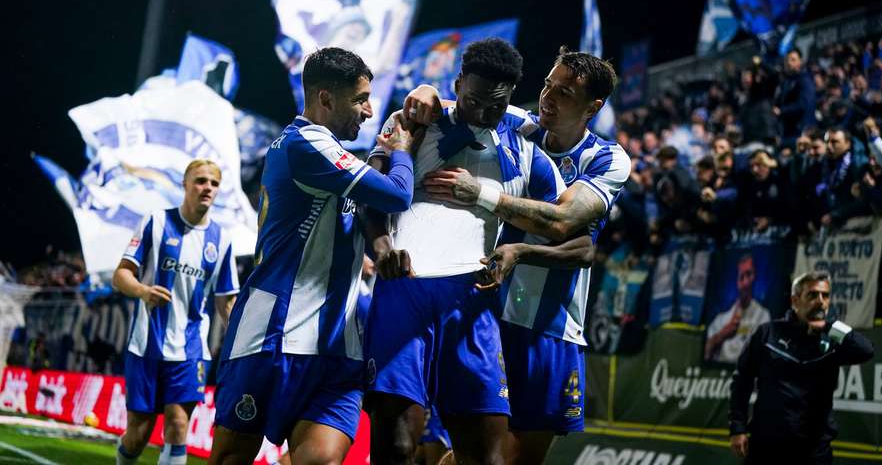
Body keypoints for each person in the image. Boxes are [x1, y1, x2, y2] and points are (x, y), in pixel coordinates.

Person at [407, 47, 630, 464]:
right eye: (547, 84)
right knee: (474, 452)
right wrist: (423, 91)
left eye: (564, 93)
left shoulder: (607, 159)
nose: (547, 97)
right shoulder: (516, 125)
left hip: (550, 327)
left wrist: (486, 199)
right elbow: (458, 102)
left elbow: (569, 228)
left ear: (592, 107)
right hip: (487, 316)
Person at [207, 47, 418, 465]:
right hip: (273, 333)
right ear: (325, 98)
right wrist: (404, 149)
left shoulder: (330, 155)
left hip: (339, 344)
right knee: (231, 458)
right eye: (360, 99)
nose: (369, 110)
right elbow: (397, 194)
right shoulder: (305, 144)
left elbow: (362, 204)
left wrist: (379, 244)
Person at [364, 38, 567, 465]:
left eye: (495, 106)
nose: (482, 113)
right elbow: (372, 197)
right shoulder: (413, 122)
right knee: (397, 447)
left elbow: (565, 225)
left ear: (510, 97)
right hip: (406, 293)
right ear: (457, 84)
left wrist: (515, 250)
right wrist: (382, 247)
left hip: (473, 302)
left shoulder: (528, 148)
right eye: (473, 100)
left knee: (484, 458)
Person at [112, 159, 240, 465]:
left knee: (178, 424)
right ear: (185, 185)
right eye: (200, 181)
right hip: (147, 344)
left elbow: (226, 301)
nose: (207, 188)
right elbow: (121, 275)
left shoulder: (221, 240)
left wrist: (241, 342)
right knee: (138, 433)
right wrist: (143, 291)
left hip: (191, 347)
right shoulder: (155, 222)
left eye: (213, 183)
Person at [729, 271, 874, 464]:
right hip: (766, 448)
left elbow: (866, 350)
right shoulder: (768, 334)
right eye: (812, 295)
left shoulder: (833, 337)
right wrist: (737, 428)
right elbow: (742, 380)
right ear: (795, 301)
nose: (820, 301)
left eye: (825, 296)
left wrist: (829, 327)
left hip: (813, 452)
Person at [704, 255, 771, 363]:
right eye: (741, 277)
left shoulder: (763, 316)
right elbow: (705, 353)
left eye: (749, 274)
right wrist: (722, 335)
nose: (745, 282)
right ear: (736, 280)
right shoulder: (721, 318)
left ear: (755, 276)